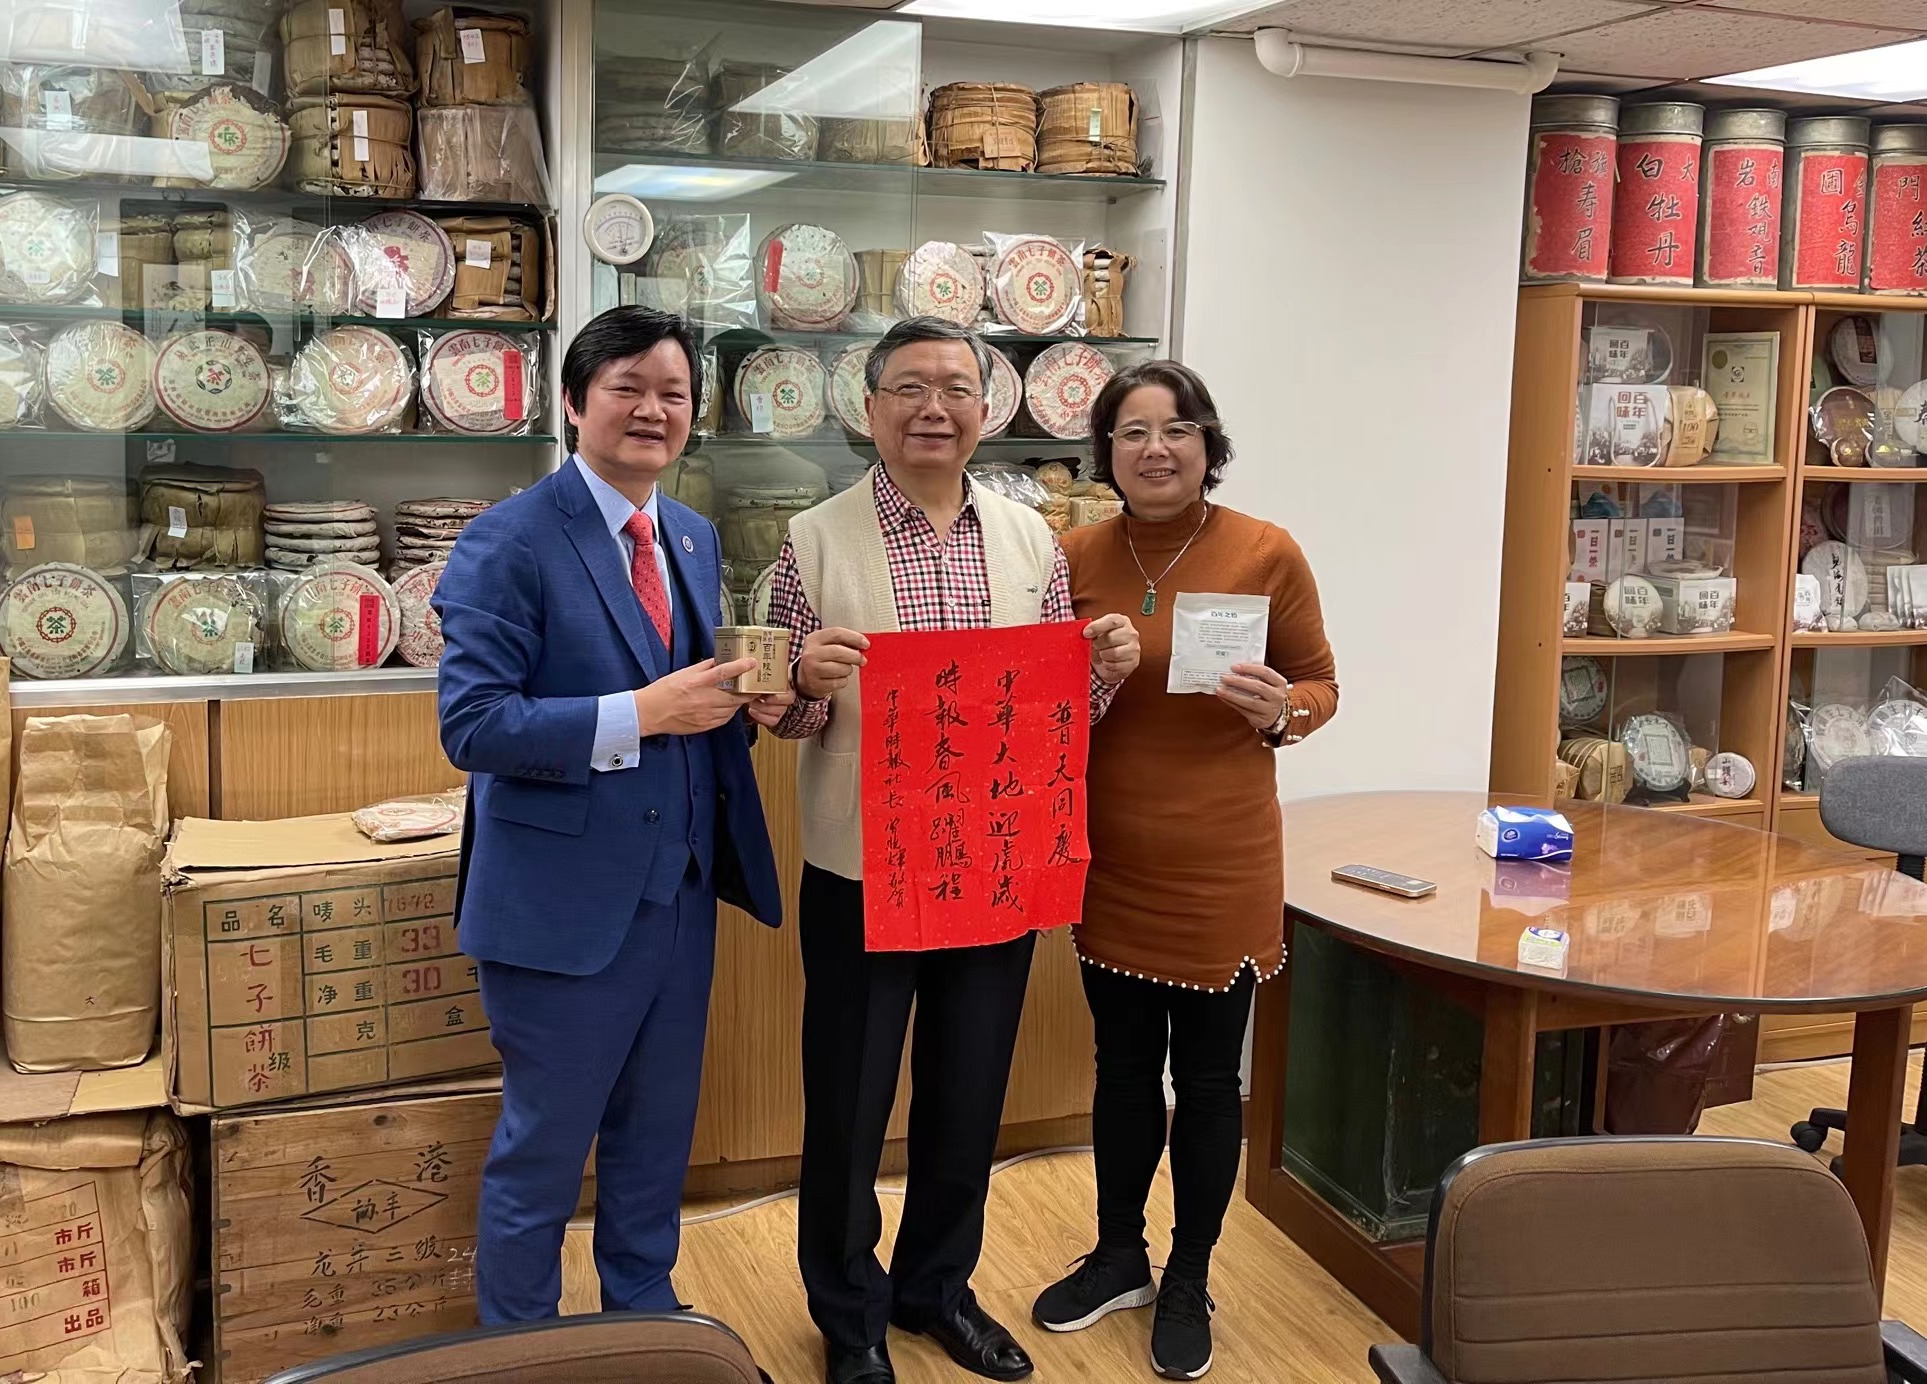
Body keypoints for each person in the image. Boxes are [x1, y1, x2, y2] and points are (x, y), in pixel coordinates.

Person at [762, 315, 1143, 1384]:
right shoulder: (811, 539)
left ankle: (936, 1288)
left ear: (986, 409)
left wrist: (1104, 670)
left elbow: (1057, 716)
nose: (934, 408)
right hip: (862, 867)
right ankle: (848, 1315)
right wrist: (803, 682)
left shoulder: (1031, 540)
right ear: (870, 407)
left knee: (967, 1093)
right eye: (910, 388)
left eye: (955, 389)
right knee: (848, 1101)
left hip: (993, 865)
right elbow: (776, 712)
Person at [432, 305, 788, 1325]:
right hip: (560, 908)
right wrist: (642, 712)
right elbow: (474, 725)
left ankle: (644, 1316)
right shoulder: (507, 540)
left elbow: (685, 696)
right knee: (543, 1152)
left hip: (679, 893)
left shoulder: (690, 534)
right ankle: (519, 1349)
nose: (651, 410)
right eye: (627, 387)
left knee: (655, 1136)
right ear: (573, 402)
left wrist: (743, 703)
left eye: (673, 393)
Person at [1031, 361, 1338, 1380]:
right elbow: (1036, 700)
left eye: (1175, 430)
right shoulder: (1072, 555)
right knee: (1120, 1068)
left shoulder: (1264, 550)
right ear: (1105, 452)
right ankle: (1118, 1254)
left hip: (1222, 856)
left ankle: (1190, 1274)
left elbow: (1320, 684)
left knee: (1207, 1080)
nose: (1154, 450)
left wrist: (1282, 711)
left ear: (1208, 444)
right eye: (1130, 433)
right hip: (1108, 854)